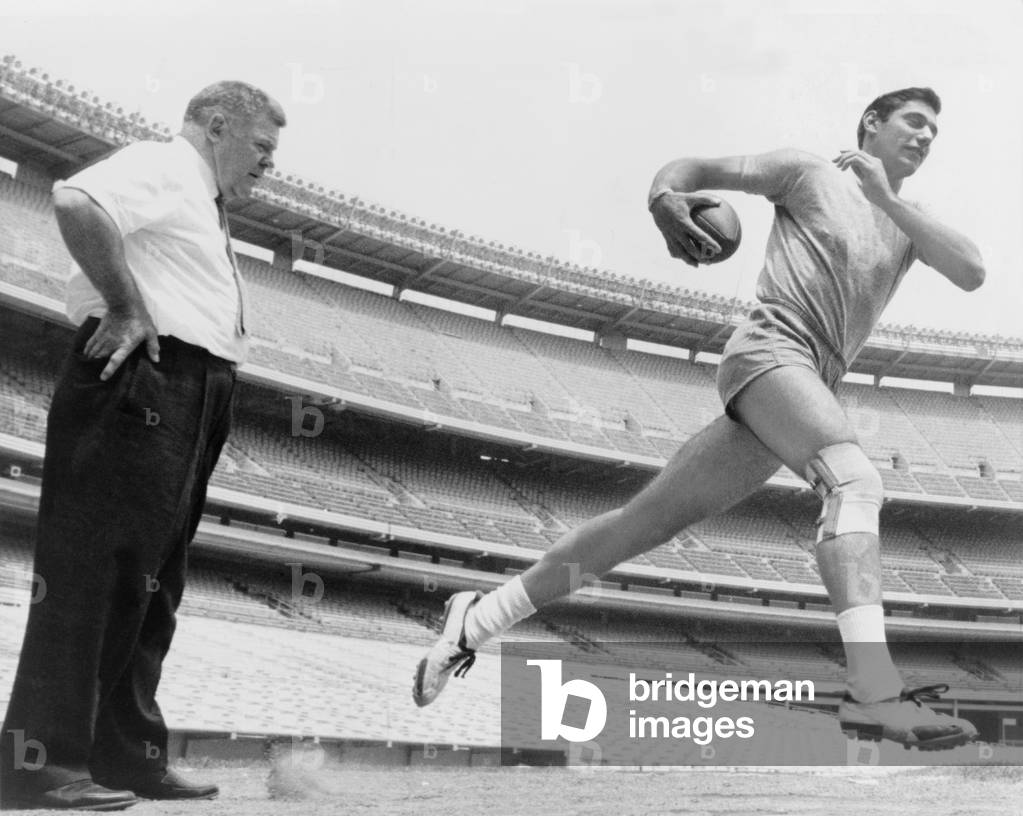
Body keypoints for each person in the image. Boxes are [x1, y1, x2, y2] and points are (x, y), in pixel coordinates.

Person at [413, 87, 983, 751]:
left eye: (933, 131)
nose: (924, 136)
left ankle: (475, 619)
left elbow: (971, 270)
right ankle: (874, 694)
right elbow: (693, 169)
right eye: (912, 121)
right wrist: (663, 199)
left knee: (638, 526)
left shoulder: (906, 221)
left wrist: (887, 199)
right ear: (871, 124)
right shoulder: (807, 172)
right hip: (771, 353)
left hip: (800, 388)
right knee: (853, 484)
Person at [0, 82, 285, 810]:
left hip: (194, 386)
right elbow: (76, 201)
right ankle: (42, 765)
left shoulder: (199, 197)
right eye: (261, 148)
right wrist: (127, 305)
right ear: (216, 125)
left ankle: (127, 756)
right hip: (142, 376)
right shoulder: (164, 163)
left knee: (156, 582)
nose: (268, 165)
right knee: (93, 574)